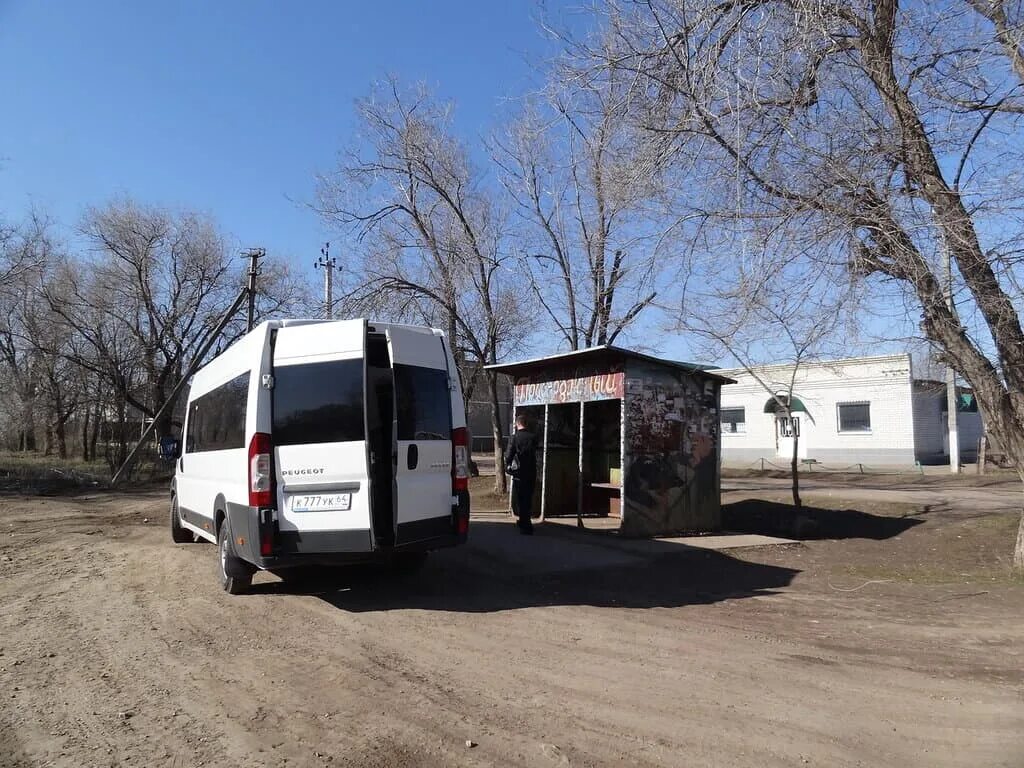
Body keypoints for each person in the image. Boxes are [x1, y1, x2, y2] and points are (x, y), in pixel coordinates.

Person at [505, 413, 538, 535]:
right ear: (526, 424)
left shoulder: (514, 438)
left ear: (517, 424)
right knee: (528, 498)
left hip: (519, 472)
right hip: (531, 471)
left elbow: (509, 454)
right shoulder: (533, 437)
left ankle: (526, 525)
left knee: (520, 498)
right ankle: (524, 520)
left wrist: (508, 465)